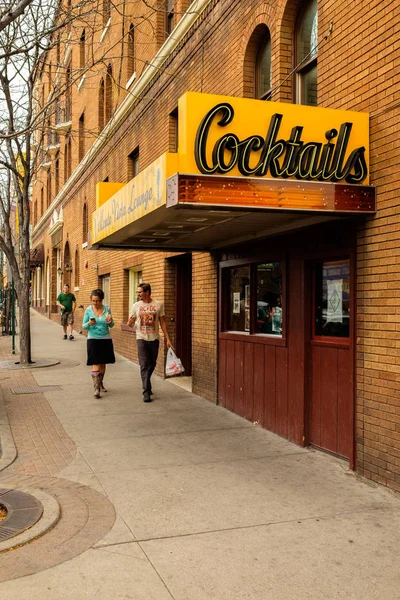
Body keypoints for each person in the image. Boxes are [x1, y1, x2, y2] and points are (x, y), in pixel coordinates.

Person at [128, 282, 172, 402]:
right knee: (144, 364)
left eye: (140, 292)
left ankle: (147, 384)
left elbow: (162, 322)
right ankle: (146, 391)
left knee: (152, 364)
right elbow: (130, 324)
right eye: (137, 292)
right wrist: (130, 322)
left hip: (154, 339)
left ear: (147, 292)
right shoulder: (136, 306)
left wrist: (168, 338)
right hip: (141, 338)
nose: (138, 294)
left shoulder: (158, 304)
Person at [82, 289, 115, 398]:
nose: (95, 303)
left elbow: (111, 325)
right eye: (93, 301)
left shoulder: (107, 309)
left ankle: (100, 383)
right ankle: (96, 388)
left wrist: (110, 322)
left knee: (103, 363)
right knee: (95, 362)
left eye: (97, 301)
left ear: (101, 300)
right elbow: (84, 326)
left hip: (105, 339)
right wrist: (89, 323)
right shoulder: (88, 310)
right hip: (93, 339)